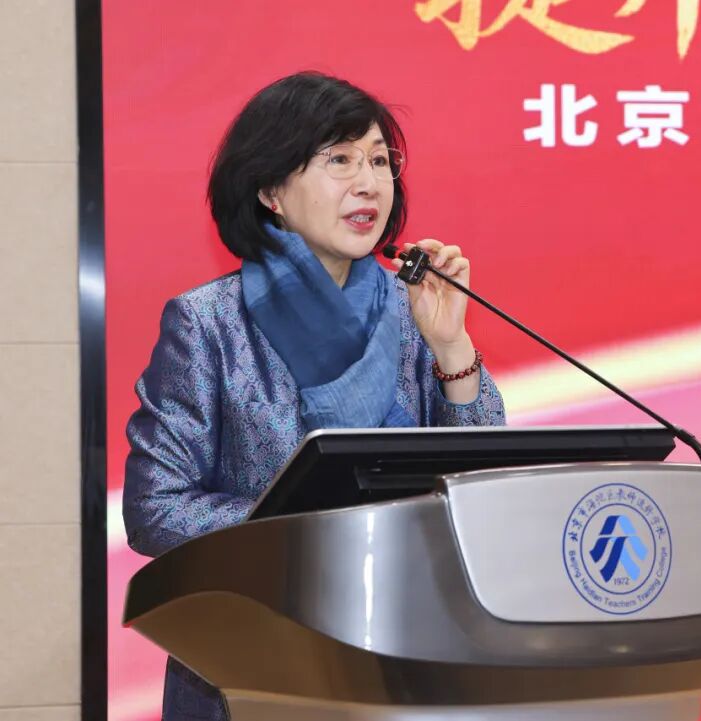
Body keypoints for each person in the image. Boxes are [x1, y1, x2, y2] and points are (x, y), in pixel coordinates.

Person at [122, 71, 506, 721]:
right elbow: (155, 509)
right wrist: (320, 532)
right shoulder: (209, 322)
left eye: (379, 161)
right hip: (252, 662)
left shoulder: (411, 308)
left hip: (406, 653)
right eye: (339, 160)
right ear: (271, 190)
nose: (369, 183)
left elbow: (483, 486)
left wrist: (450, 346)